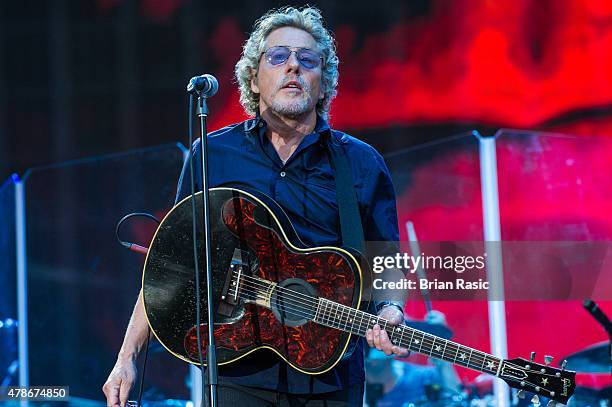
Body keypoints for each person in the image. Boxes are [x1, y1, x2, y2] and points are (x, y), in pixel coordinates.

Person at [103, 6, 407, 407]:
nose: (293, 67)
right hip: (235, 372)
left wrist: (389, 310)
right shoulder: (213, 155)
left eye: (307, 60)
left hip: (332, 377)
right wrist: (127, 358)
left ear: (323, 83)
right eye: (278, 57)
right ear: (255, 77)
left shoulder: (361, 163)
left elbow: (385, 262)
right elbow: (170, 263)